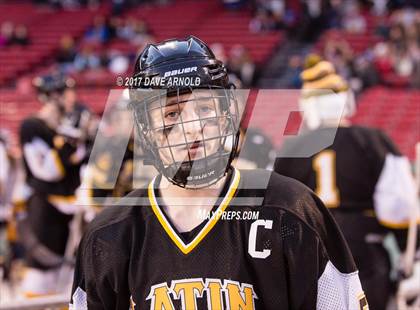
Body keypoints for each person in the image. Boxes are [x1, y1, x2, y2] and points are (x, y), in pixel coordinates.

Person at [70, 36, 367, 309]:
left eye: (203, 108)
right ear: (146, 128)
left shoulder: (292, 209)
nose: (192, 127)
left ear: (226, 113)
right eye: (172, 112)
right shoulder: (108, 236)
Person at [274, 57, 420, 309]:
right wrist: (410, 251)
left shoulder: (290, 149)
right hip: (363, 251)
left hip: (306, 255)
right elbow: (398, 209)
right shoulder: (372, 141)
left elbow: (277, 211)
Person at [18, 74, 86, 296]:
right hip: (46, 210)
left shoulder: (64, 126)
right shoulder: (33, 126)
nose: (71, 98)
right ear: (52, 95)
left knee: (68, 282)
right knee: (40, 277)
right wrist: (66, 141)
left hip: (73, 210)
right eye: (66, 93)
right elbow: (47, 172)